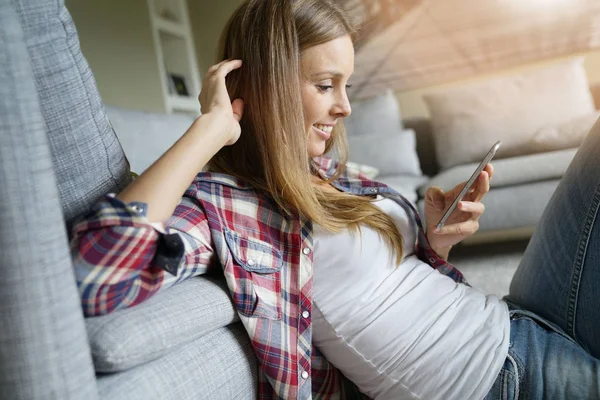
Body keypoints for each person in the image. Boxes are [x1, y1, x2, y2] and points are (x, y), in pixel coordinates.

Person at [71, 0, 600, 398]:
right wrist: (210, 129)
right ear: (261, 85)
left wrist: (433, 240)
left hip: (511, 317)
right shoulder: (223, 206)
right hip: (500, 375)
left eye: (345, 85)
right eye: (326, 85)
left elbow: (391, 287)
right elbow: (94, 279)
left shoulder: (330, 174)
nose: (345, 107)